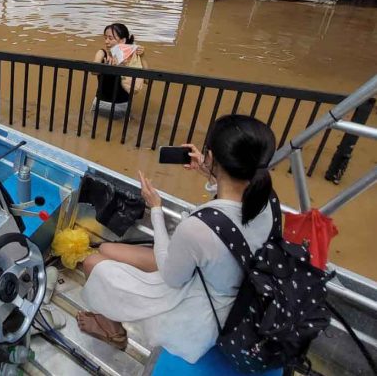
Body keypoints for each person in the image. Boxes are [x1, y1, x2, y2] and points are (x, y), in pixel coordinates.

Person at [77, 115, 277, 363]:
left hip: (199, 307)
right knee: (106, 247)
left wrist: (156, 208)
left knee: (91, 264)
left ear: (213, 157)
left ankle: (114, 333)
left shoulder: (198, 228)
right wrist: (210, 172)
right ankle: (111, 319)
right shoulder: (267, 200)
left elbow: (171, 277)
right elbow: (233, 201)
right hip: (225, 285)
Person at [92, 23, 144, 113]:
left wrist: (142, 56)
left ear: (123, 40)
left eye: (110, 38)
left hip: (122, 105)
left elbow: (146, 79)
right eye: (105, 38)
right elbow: (93, 71)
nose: (106, 41)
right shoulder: (102, 53)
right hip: (101, 103)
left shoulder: (132, 57)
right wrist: (106, 65)